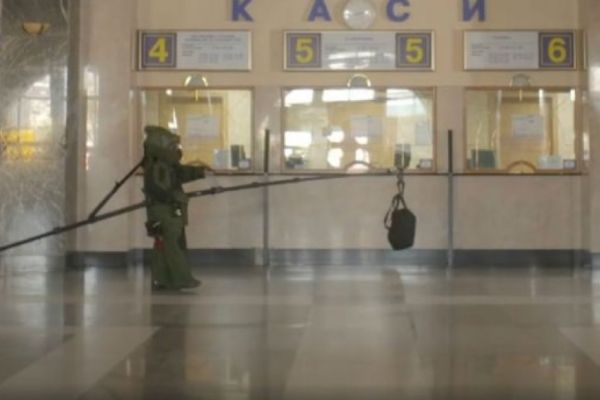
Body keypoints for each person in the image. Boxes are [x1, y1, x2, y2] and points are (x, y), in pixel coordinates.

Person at [142, 125, 211, 290]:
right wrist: (174, 198)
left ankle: (162, 279)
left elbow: (180, 174)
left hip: (169, 210)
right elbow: (161, 190)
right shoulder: (158, 167)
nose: (177, 150)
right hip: (165, 212)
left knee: (163, 244)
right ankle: (181, 278)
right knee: (173, 244)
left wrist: (200, 172)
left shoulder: (164, 165)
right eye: (173, 147)